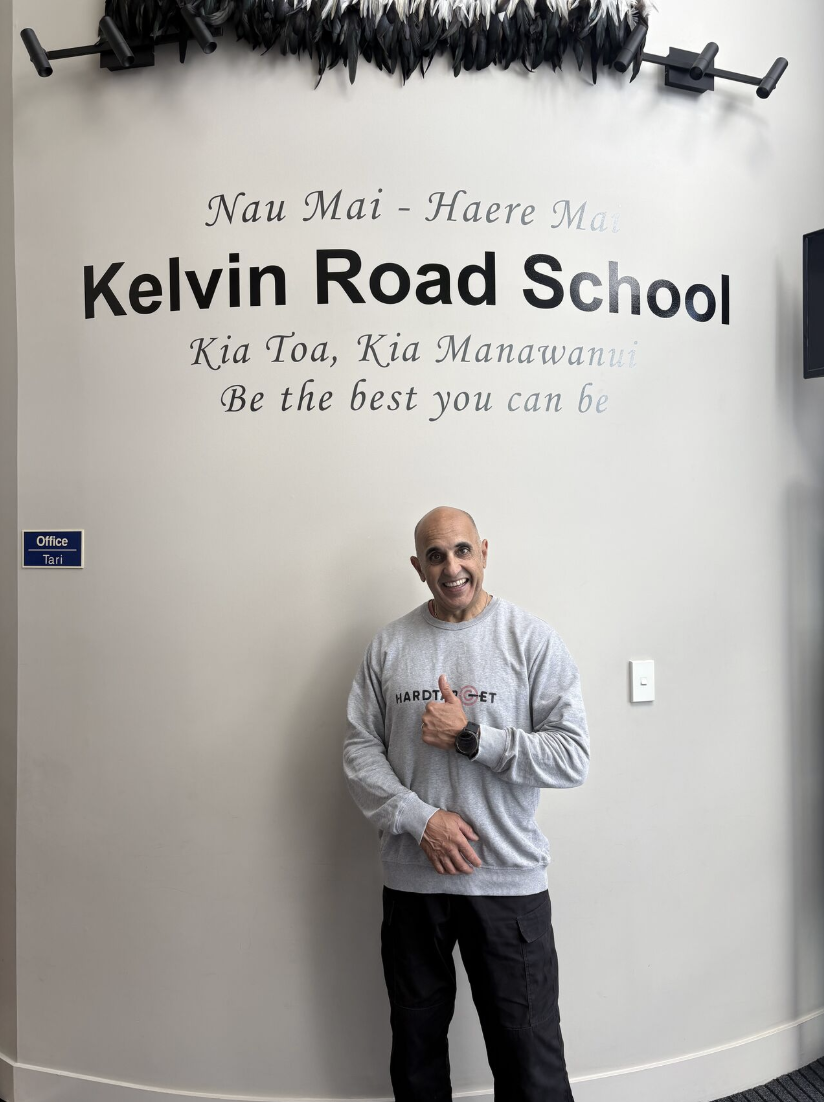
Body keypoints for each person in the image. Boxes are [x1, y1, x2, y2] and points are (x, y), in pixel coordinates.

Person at [343, 506, 589, 1102]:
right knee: (417, 1057)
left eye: (460, 551)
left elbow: (571, 756)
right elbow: (358, 751)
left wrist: (472, 737)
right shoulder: (389, 646)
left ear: (483, 551)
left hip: (507, 883)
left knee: (530, 1064)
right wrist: (419, 819)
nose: (450, 567)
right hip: (413, 886)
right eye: (435, 555)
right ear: (417, 567)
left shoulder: (529, 639)